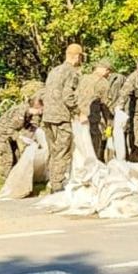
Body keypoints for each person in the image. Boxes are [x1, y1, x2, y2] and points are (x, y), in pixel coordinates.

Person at [41, 44, 84, 192]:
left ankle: (51, 182)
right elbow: (67, 97)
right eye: (81, 57)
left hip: (47, 117)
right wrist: (79, 111)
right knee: (62, 151)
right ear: (77, 56)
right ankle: (57, 186)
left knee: (53, 151)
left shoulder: (54, 71)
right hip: (61, 118)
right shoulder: (71, 72)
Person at [0, 96, 43, 175]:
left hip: (9, 136)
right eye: (40, 110)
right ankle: (7, 181)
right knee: (9, 159)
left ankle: (14, 178)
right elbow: (9, 129)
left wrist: (33, 139)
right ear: (34, 108)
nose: (41, 112)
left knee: (17, 157)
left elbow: (28, 127)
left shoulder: (28, 113)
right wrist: (21, 138)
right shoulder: (20, 113)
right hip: (2, 136)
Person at [77, 60, 116, 160]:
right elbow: (106, 106)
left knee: (80, 150)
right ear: (103, 70)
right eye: (108, 71)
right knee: (93, 151)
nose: (109, 74)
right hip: (92, 122)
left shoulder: (82, 78)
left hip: (77, 120)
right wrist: (109, 126)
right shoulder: (103, 82)